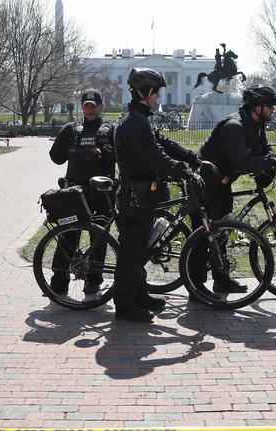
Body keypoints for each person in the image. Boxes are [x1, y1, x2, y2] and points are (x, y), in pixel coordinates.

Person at [114, 67, 205, 322]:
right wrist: (184, 172)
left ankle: (139, 293)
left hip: (143, 194)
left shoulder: (139, 118)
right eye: (156, 93)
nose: (159, 98)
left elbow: (161, 143)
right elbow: (155, 157)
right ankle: (124, 305)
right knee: (131, 252)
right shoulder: (133, 124)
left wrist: (191, 158)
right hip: (135, 196)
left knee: (141, 248)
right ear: (145, 92)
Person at [188, 84, 276, 300]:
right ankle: (195, 288)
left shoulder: (257, 124)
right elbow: (242, 161)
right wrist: (271, 162)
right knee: (203, 238)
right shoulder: (234, 126)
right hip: (206, 185)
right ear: (257, 106)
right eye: (270, 106)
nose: (273, 110)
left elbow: (266, 149)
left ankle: (221, 279)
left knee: (222, 233)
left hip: (223, 183)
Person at [48, 88, 115, 294]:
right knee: (68, 236)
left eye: (94, 106)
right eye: (86, 105)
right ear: (82, 106)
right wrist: (71, 150)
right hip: (74, 194)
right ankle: (59, 281)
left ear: (101, 106)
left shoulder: (110, 130)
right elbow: (56, 157)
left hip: (101, 195)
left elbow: (122, 157)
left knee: (99, 239)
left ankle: (93, 281)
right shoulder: (72, 130)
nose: (90, 109)